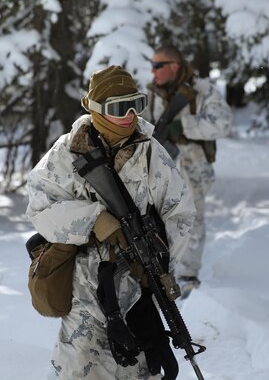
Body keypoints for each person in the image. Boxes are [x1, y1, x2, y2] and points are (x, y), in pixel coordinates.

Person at [26, 65, 196, 380]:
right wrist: (94, 220)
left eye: (137, 104)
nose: (130, 115)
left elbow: (180, 211)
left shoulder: (149, 152)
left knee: (140, 365)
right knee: (81, 367)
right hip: (85, 286)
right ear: (95, 109)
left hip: (138, 284)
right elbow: (40, 208)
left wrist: (162, 263)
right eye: (119, 108)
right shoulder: (67, 151)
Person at [145, 45, 232, 296]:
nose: (153, 71)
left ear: (174, 66)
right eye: (152, 65)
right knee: (157, 220)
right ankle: (163, 272)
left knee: (191, 220)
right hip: (161, 168)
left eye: (158, 65)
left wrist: (184, 125)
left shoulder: (201, 90)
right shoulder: (150, 93)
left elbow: (222, 123)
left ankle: (188, 276)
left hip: (193, 169)